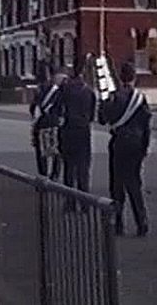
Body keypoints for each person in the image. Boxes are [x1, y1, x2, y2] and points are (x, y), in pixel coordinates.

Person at [99, 62, 151, 236]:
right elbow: (146, 125)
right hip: (136, 145)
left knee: (117, 185)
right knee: (135, 184)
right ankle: (141, 221)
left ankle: (118, 222)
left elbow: (103, 119)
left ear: (120, 78)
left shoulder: (114, 97)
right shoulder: (140, 98)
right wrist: (145, 147)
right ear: (134, 78)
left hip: (119, 143)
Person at [58, 63, 96, 208]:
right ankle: (85, 202)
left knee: (69, 168)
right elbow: (92, 115)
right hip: (83, 131)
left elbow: (60, 108)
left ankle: (70, 201)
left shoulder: (65, 90)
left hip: (68, 130)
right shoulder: (89, 92)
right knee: (83, 168)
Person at [29, 67, 63, 180]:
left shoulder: (40, 90)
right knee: (56, 151)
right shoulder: (59, 91)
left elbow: (33, 108)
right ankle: (55, 175)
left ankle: (43, 175)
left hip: (41, 123)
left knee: (41, 152)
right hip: (54, 123)